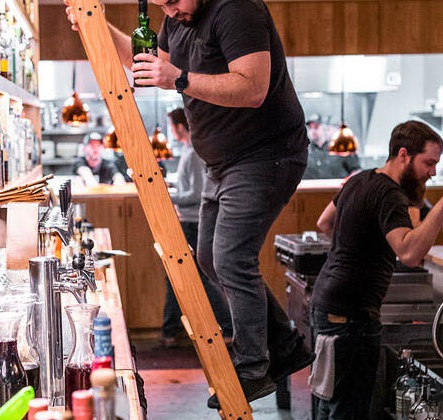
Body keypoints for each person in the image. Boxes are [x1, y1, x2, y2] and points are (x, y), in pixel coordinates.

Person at [65, 0, 314, 406]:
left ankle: (253, 368)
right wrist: (96, 22)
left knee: (231, 259)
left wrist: (178, 78)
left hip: (265, 155)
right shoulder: (177, 20)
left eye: (173, 1)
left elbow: (253, 88)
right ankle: (284, 344)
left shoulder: (236, 10)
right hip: (221, 163)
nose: (170, 11)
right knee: (209, 259)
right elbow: (147, 62)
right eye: (161, 4)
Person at [313, 121, 443, 419]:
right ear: (404, 154)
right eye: (428, 163)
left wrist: (359, 247)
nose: (433, 172)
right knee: (348, 410)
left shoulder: (359, 179)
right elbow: (410, 253)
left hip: (329, 303)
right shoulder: (390, 194)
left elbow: (324, 223)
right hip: (351, 316)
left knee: (331, 404)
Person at [161, 107, 232, 346]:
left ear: (180, 127)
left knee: (198, 277)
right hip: (190, 220)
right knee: (183, 276)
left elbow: (197, 193)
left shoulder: (193, 153)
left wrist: (166, 196)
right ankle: (171, 329)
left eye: (172, 127)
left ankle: (227, 326)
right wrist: (172, 188)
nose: (172, 131)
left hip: (193, 222)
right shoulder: (189, 151)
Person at [303, 115, 361, 180]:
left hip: (339, 186)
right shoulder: (304, 151)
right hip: (309, 186)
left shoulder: (339, 148)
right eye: (310, 128)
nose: (313, 131)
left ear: (324, 128)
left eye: (316, 127)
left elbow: (356, 171)